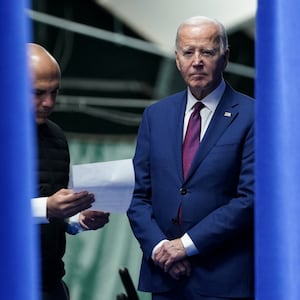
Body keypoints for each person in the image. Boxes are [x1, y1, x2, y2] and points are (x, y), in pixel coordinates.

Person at [127, 16, 254, 300]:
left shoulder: (253, 116)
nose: (196, 60)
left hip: (224, 280)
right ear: (177, 59)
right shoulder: (155, 116)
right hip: (165, 278)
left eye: (207, 52)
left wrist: (184, 246)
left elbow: (249, 199)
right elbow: (138, 198)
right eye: (188, 52)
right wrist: (161, 249)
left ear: (225, 57)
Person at [28, 43, 110, 300]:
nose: (49, 102)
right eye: (38, 92)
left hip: (50, 281)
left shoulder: (56, 137)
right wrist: (47, 208)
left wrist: (77, 219)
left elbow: (52, 211)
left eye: (55, 92)